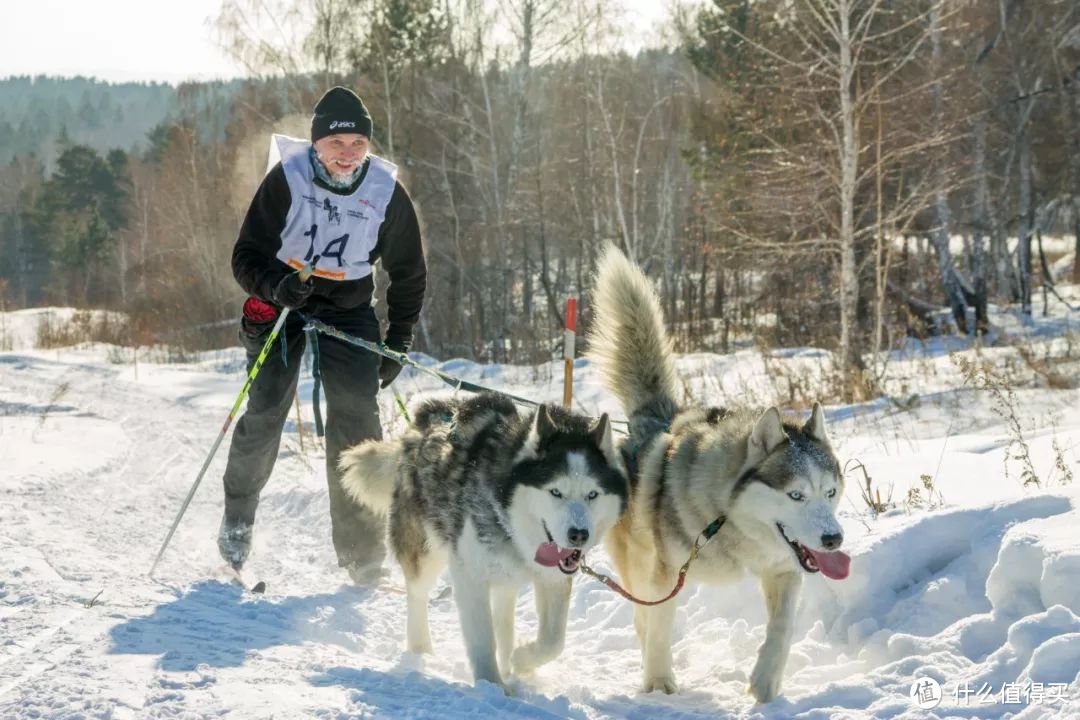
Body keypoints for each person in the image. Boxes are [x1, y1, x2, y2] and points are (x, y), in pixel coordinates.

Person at [217, 86, 426, 585]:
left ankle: (362, 554)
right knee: (266, 410)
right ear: (316, 145)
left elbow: (409, 273)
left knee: (356, 418)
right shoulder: (286, 179)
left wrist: (397, 340)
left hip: (348, 304)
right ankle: (237, 523)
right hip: (284, 297)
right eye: (337, 144)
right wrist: (275, 286)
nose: (348, 154)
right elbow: (244, 257)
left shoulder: (384, 192)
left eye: (358, 143)